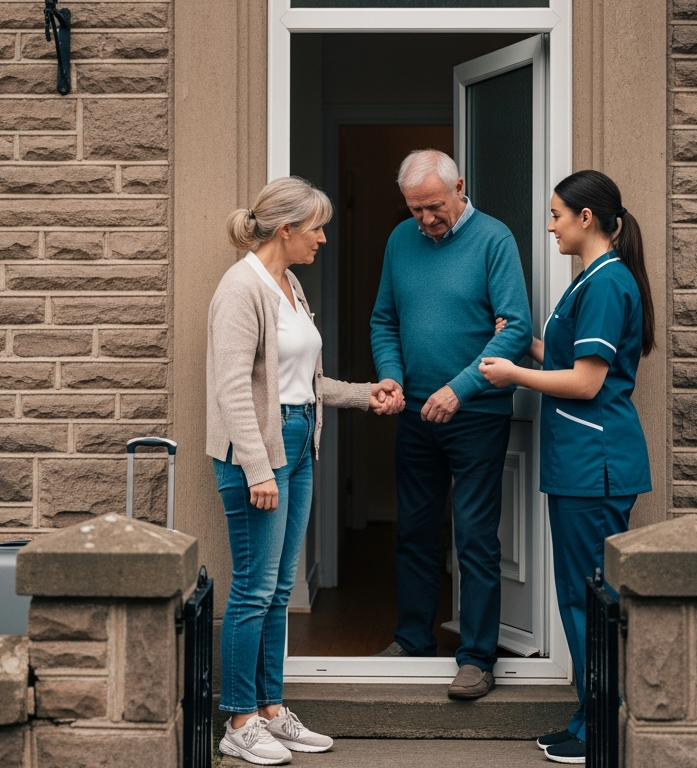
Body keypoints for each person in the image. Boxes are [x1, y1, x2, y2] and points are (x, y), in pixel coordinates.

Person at [207, 176, 405, 765]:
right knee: (252, 586)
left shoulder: (289, 283)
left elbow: (304, 386)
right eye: (316, 228)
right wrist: (257, 468)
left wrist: (365, 394)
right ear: (287, 229)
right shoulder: (240, 288)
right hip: (258, 451)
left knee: (277, 589)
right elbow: (233, 388)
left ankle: (270, 710)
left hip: (296, 441)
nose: (322, 238)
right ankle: (239, 721)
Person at [481, 170, 655, 765]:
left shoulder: (607, 285)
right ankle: (588, 713)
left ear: (586, 218)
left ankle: (599, 726)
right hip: (579, 464)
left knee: (589, 600)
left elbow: (585, 382)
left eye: (556, 214)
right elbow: (565, 358)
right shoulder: (591, 281)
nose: (550, 225)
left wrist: (513, 375)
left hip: (594, 465)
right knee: (583, 596)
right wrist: (521, 344)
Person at [369, 149, 533, 700]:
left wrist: (458, 390)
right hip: (414, 414)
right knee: (413, 531)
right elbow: (384, 320)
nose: (425, 220)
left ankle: (477, 659)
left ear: (459, 187)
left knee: (475, 537)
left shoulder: (494, 239)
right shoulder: (399, 240)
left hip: (477, 415)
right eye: (415, 209)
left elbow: (514, 330)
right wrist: (392, 378)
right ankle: (414, 641)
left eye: (434, 207)